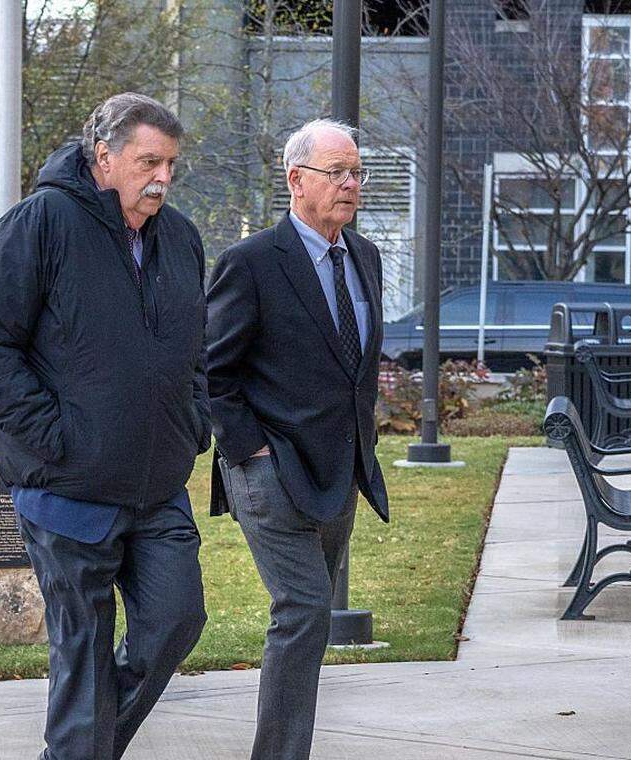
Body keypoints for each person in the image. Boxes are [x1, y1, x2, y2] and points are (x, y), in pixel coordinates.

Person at [0, 92, 211, 760]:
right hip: (66, 487)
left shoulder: (181, 239)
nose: (161, 176)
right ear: (103, 155)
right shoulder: (39, 223)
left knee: (176, 619)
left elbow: (196, 350)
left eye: (170, 164)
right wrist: (58, 438)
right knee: (85, 650)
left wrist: (194, 421)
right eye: (148, 160)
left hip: (156, 482)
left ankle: (79, 750)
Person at [205, 118, 389, 760]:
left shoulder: (364, 257)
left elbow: (354, 367)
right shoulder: (252, 263)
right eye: (336, 172)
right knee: (306, 610)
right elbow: (211, 370)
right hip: (269, 469)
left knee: (308, 622)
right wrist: (249, 451)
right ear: (296, 180)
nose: (350, 184)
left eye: (356, 172)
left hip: (340, 470)